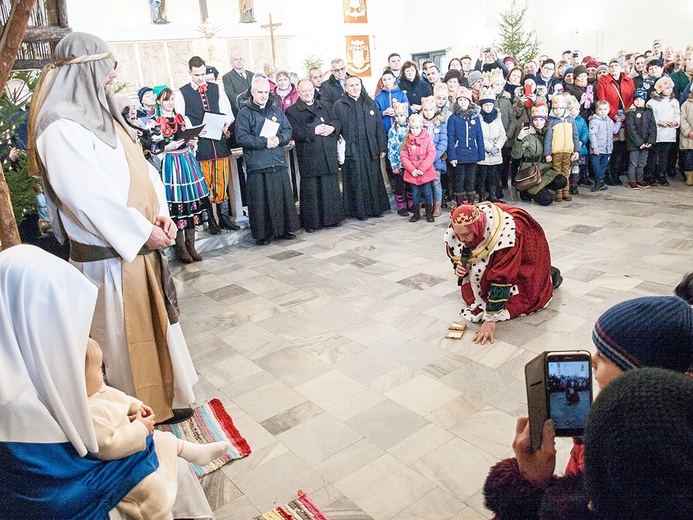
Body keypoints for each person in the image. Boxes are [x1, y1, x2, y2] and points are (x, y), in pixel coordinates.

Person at [29, 32, 197, 423]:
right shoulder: (60, 128)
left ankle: (167, 399)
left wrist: (160, 213)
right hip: (108, 259)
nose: (113, 75)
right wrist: (140, 231)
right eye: (106, 66)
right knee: (122, 345)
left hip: (139, 246)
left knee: (154, 333)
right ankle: (131, 415)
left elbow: (142, 169)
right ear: (85, 71)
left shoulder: (105, 116)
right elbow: (87, 199)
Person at [0, 244, 213, 519]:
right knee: (171, 470)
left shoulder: (19, 362)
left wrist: (123, 420)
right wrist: (140, 442)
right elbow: (52, 497)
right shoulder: (14, 407)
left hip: (81, 484)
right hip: (79, 503)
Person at [483, 295, 693, 520]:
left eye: (603, 357)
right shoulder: (671, 422)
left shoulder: (631, 466)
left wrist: (531, 483)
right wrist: (588, 438)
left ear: (637, 378)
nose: (592, 360)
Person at [86, 338, 229, 518]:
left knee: (161, 438)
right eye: (98, 369)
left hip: (130, 439)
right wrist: (140, 428)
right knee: (153, 489)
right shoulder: (88, 411)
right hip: (121, 457)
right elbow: (108, 445)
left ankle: (194, 452)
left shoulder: (97, 391)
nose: (103, 373)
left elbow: (119, 398)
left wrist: (135, 406)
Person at [444, 202, 557, 344]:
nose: (461, 239)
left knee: (531, 283)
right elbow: (457, 252)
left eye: (466, 235)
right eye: (458, 235)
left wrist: (490, 320)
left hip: (521, 257)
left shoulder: (507, 234)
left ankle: (552, 275)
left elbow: (503, 275)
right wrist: (461, 267)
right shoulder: (460, 226)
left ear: (477, 227)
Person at [155, 87, 219, 262]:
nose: (170, 102)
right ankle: (181, 246)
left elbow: (190, 140)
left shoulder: (182, 118)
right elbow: (154, 148)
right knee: (177, 202)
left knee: (191, 201)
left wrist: (192, 141)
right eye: (166, 99)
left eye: (172, 99)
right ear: (160, 101)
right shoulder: (155, 122)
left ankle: (192, 244)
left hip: (186, 160)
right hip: (171, 163)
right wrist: (168, 147)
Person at [176, 55, 239, 231]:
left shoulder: (216, 89)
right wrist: (194, 130)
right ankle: (210, 220)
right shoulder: (182, 93)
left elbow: (227, 111)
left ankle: (224, 217)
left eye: (203, 74)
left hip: (218, 143)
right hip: (200, 145)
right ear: (190, 72)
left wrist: (226, 122)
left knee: (222, 180)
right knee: (205, 183)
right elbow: (181, 118)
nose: (201, 78)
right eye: (197, 75)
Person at [234, 75, 300, 245]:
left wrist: (279, 139)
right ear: (252, 92)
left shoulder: (276, 110)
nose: (263, 95)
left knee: (281, 198)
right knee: (261, 201)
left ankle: (283, 229)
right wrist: (264, 141)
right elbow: (241, 137)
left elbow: (287, 130)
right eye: (260, 92)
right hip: (258, 163)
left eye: (266, 92)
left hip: (276, 161)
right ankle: (263, 234)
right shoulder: (244, 113)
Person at [285, 79, 344, 232]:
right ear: (298, 92)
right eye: (304, 91)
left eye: (310, 90)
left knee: (329, 186)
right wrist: (314, 131)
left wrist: (331, 128)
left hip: (327, 154)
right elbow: (295, 131)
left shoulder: (325, 106)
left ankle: (332, 219)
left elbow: (337, 121)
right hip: (310, 156)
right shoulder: (292, 111)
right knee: (312, 191)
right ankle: (313, 223)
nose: (307, 93)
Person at [333, 75, 390, 220]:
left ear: (361, 85)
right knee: (355, 179)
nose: (355, 88)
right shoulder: (339, 105)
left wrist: (382, 147)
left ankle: (375, 209)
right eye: (351, 85)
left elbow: (378, 126)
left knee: (372, 177)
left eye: (357, 84)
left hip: (370, 147)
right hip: (351, 148)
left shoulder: (370, 102)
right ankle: (358, 211)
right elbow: (337, 129)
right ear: (346, 88)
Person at [512, 103, 568, 206]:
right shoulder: (527, 134)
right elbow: (516, 155)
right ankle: (527, 190)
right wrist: (519, 138)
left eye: (541, 120)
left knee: (562, 180)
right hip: (531, 170)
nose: (538, 122)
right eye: (535, 120)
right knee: (547, 200)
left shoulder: (549, 132)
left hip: (545, 168)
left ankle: (540, 187)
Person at [447, 88, 484, 205]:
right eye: (460, 100)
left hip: (472, 154)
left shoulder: (475, 118)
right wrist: (452, 157)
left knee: (471, 179)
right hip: (459, 155)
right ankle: (460, 204)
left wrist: (481, 155)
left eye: (465, 100)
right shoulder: (453, 118)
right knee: (459, 179)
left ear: (470, 101)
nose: (463, 102)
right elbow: (450, 138)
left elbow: (479, 137)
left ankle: (471, 203)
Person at [401, 113, 437, 223]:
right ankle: (416, 214)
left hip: (425, 171)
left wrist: (422, 168)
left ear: (421, 127)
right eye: (412, 128)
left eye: (417, 128)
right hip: (413, 173)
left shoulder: (427, 139)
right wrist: (412, 170)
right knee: (415, 193)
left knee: (427, 193)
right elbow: (404, 156)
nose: (415, 130)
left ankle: (429, 213)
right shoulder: (406, 140)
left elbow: (431, 154)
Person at [544, 93, 579, 201]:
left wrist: (576, 150)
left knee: (566, 171)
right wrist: (547, 153)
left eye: (560, 108)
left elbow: (575, 136)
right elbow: (548, 139)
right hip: (556, 152)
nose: (558, 110)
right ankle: (558, 192)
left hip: (568, 151)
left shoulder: (571, 120)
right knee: (557, 172)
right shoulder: (551, 121)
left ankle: (566, 191)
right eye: (556, 108)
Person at [647, 77, 680, 186]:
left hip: (669, 133)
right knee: (653, 155)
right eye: (667, 88)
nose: (670, 90)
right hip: (656, 133)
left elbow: (677, 114)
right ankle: (651, 175)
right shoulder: (652, 102)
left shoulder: (674, 102)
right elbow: (650, 117)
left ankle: (662, 174)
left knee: (664, 156)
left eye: (671, 87)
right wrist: (659, 122)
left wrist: (676, 122)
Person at [477, 87, 507, 202]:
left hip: (496, 152)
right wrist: (489, 148)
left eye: (490, 104)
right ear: (482, 106)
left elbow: (502, 134)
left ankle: (493, 195)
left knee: (493, 176)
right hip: (484, 152)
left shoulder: (497, 118)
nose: (488, 107)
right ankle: (482, 196)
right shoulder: (479, 118)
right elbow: (479, 136)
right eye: (486, 105)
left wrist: (497, 146)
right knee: (482, 176)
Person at [625, 88, 657, 188]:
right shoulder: (631, 113)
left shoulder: (649, 111)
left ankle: (640, 178)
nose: (638, 101)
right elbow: (631, 130)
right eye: (636, 99)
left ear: (645, 100)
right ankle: (632, 180)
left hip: (646, 143)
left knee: (642, 162)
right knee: (633, 162)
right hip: (634, 144)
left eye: (641, 99)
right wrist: (639, 143)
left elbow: (653, 127)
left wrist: (650, 141)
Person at [589, 99, 621, 192]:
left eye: (605, 109)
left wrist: (618, 122)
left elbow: (614, 130)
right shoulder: (594, 121)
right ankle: (599, 181)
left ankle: (600, 182)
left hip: (607, 149)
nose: (603, 112)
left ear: (608, 110)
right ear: (596, 111)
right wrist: (594, 147)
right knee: (596, 166)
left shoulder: (610, 121)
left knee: (604, 166)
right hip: (597, 149)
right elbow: (592, 134)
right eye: (600, 109)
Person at [387, 101, 410, 216]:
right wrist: (394, 165)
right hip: (399, 163)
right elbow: (391, 148)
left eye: (402, 115)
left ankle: (411, 204)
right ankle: (401, 207)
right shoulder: (393, 130)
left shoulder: (412, 127)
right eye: (397, 116)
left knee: (410, 184)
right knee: (399, 185)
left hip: (411, 163)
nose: (399, 118)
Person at [680, 88, 693, 186]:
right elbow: (682, 119)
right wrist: (688, 131)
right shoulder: (686, 104)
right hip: (689, 137)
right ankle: (689, 176)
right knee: (688, 158)